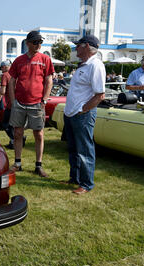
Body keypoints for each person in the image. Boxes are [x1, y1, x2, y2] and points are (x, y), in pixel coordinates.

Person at [7, 31, 54, 177]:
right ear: (27, 43)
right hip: (20, 103)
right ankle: (18, 163)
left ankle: (38, 165)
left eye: (40, 42)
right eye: (35, 42)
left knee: (39, 134)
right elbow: (11, 81)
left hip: (37, 104)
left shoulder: (45, 59)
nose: (38, 45)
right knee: (18, 133)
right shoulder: (19, 60)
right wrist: (13, 100)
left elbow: (49, 81)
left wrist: (44, 100)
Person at [63, 35, 105, 195]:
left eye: (78, 46)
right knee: (73, 148)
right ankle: (75, 178)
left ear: (86, 46)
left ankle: (86, 184)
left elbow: (100, 95)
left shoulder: (96, 65)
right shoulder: (84, 65)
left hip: (82, 115)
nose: (76, 49)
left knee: (84, 150)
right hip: (72, 114)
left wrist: (83, 109)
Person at [0, 60, 15, 149]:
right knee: (14, 124)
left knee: (5, 124)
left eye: (2, 68)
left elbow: (3, 91)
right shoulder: (14, 74)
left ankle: (14, 140)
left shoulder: (5, 75)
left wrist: (0, 88)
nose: (1, 70)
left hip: (10, 104)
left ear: (5, 66)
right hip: (18, 102)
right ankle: (17, 140)